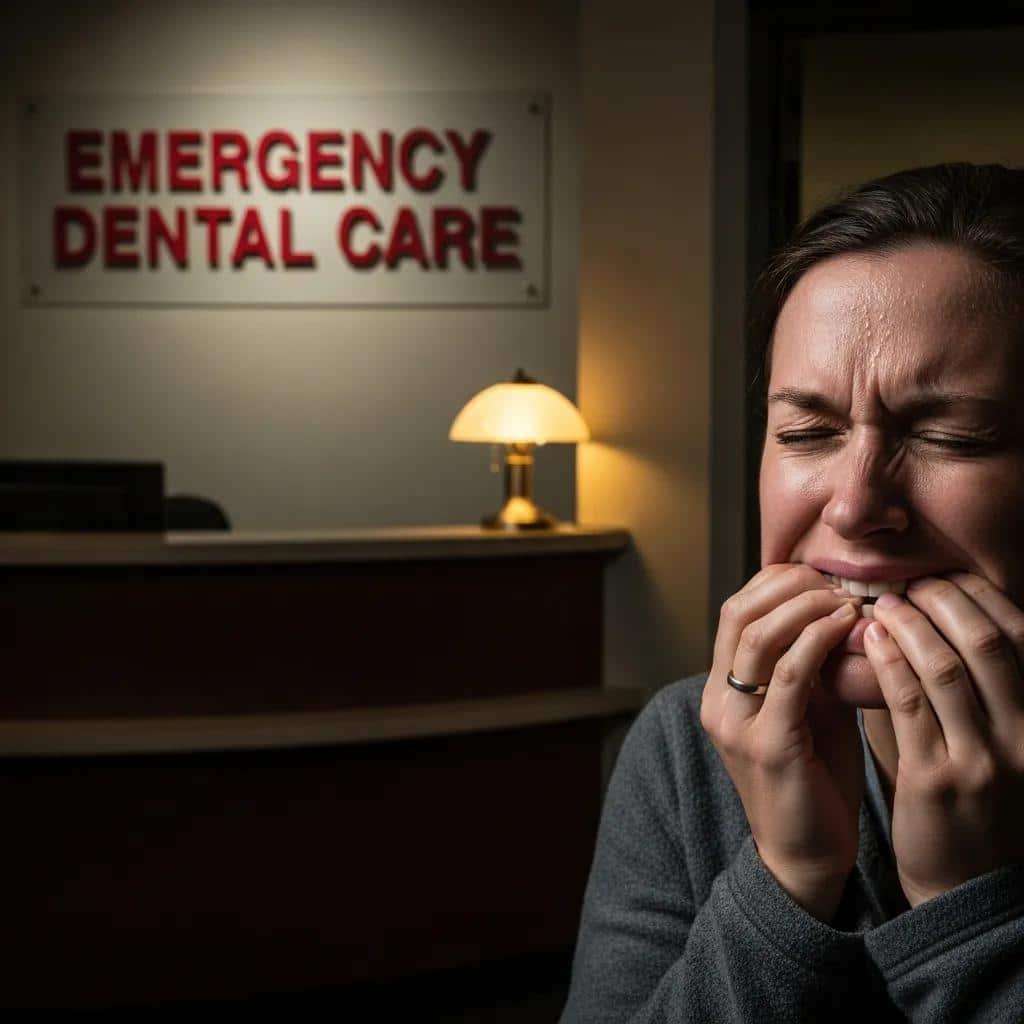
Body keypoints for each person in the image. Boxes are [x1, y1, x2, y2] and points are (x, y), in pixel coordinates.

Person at [559, 162, 1024, 1022]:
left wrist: (971, 912)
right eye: (807, 432)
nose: (852, 507)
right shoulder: (687, 746)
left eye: (953, 437)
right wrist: (786, 883)